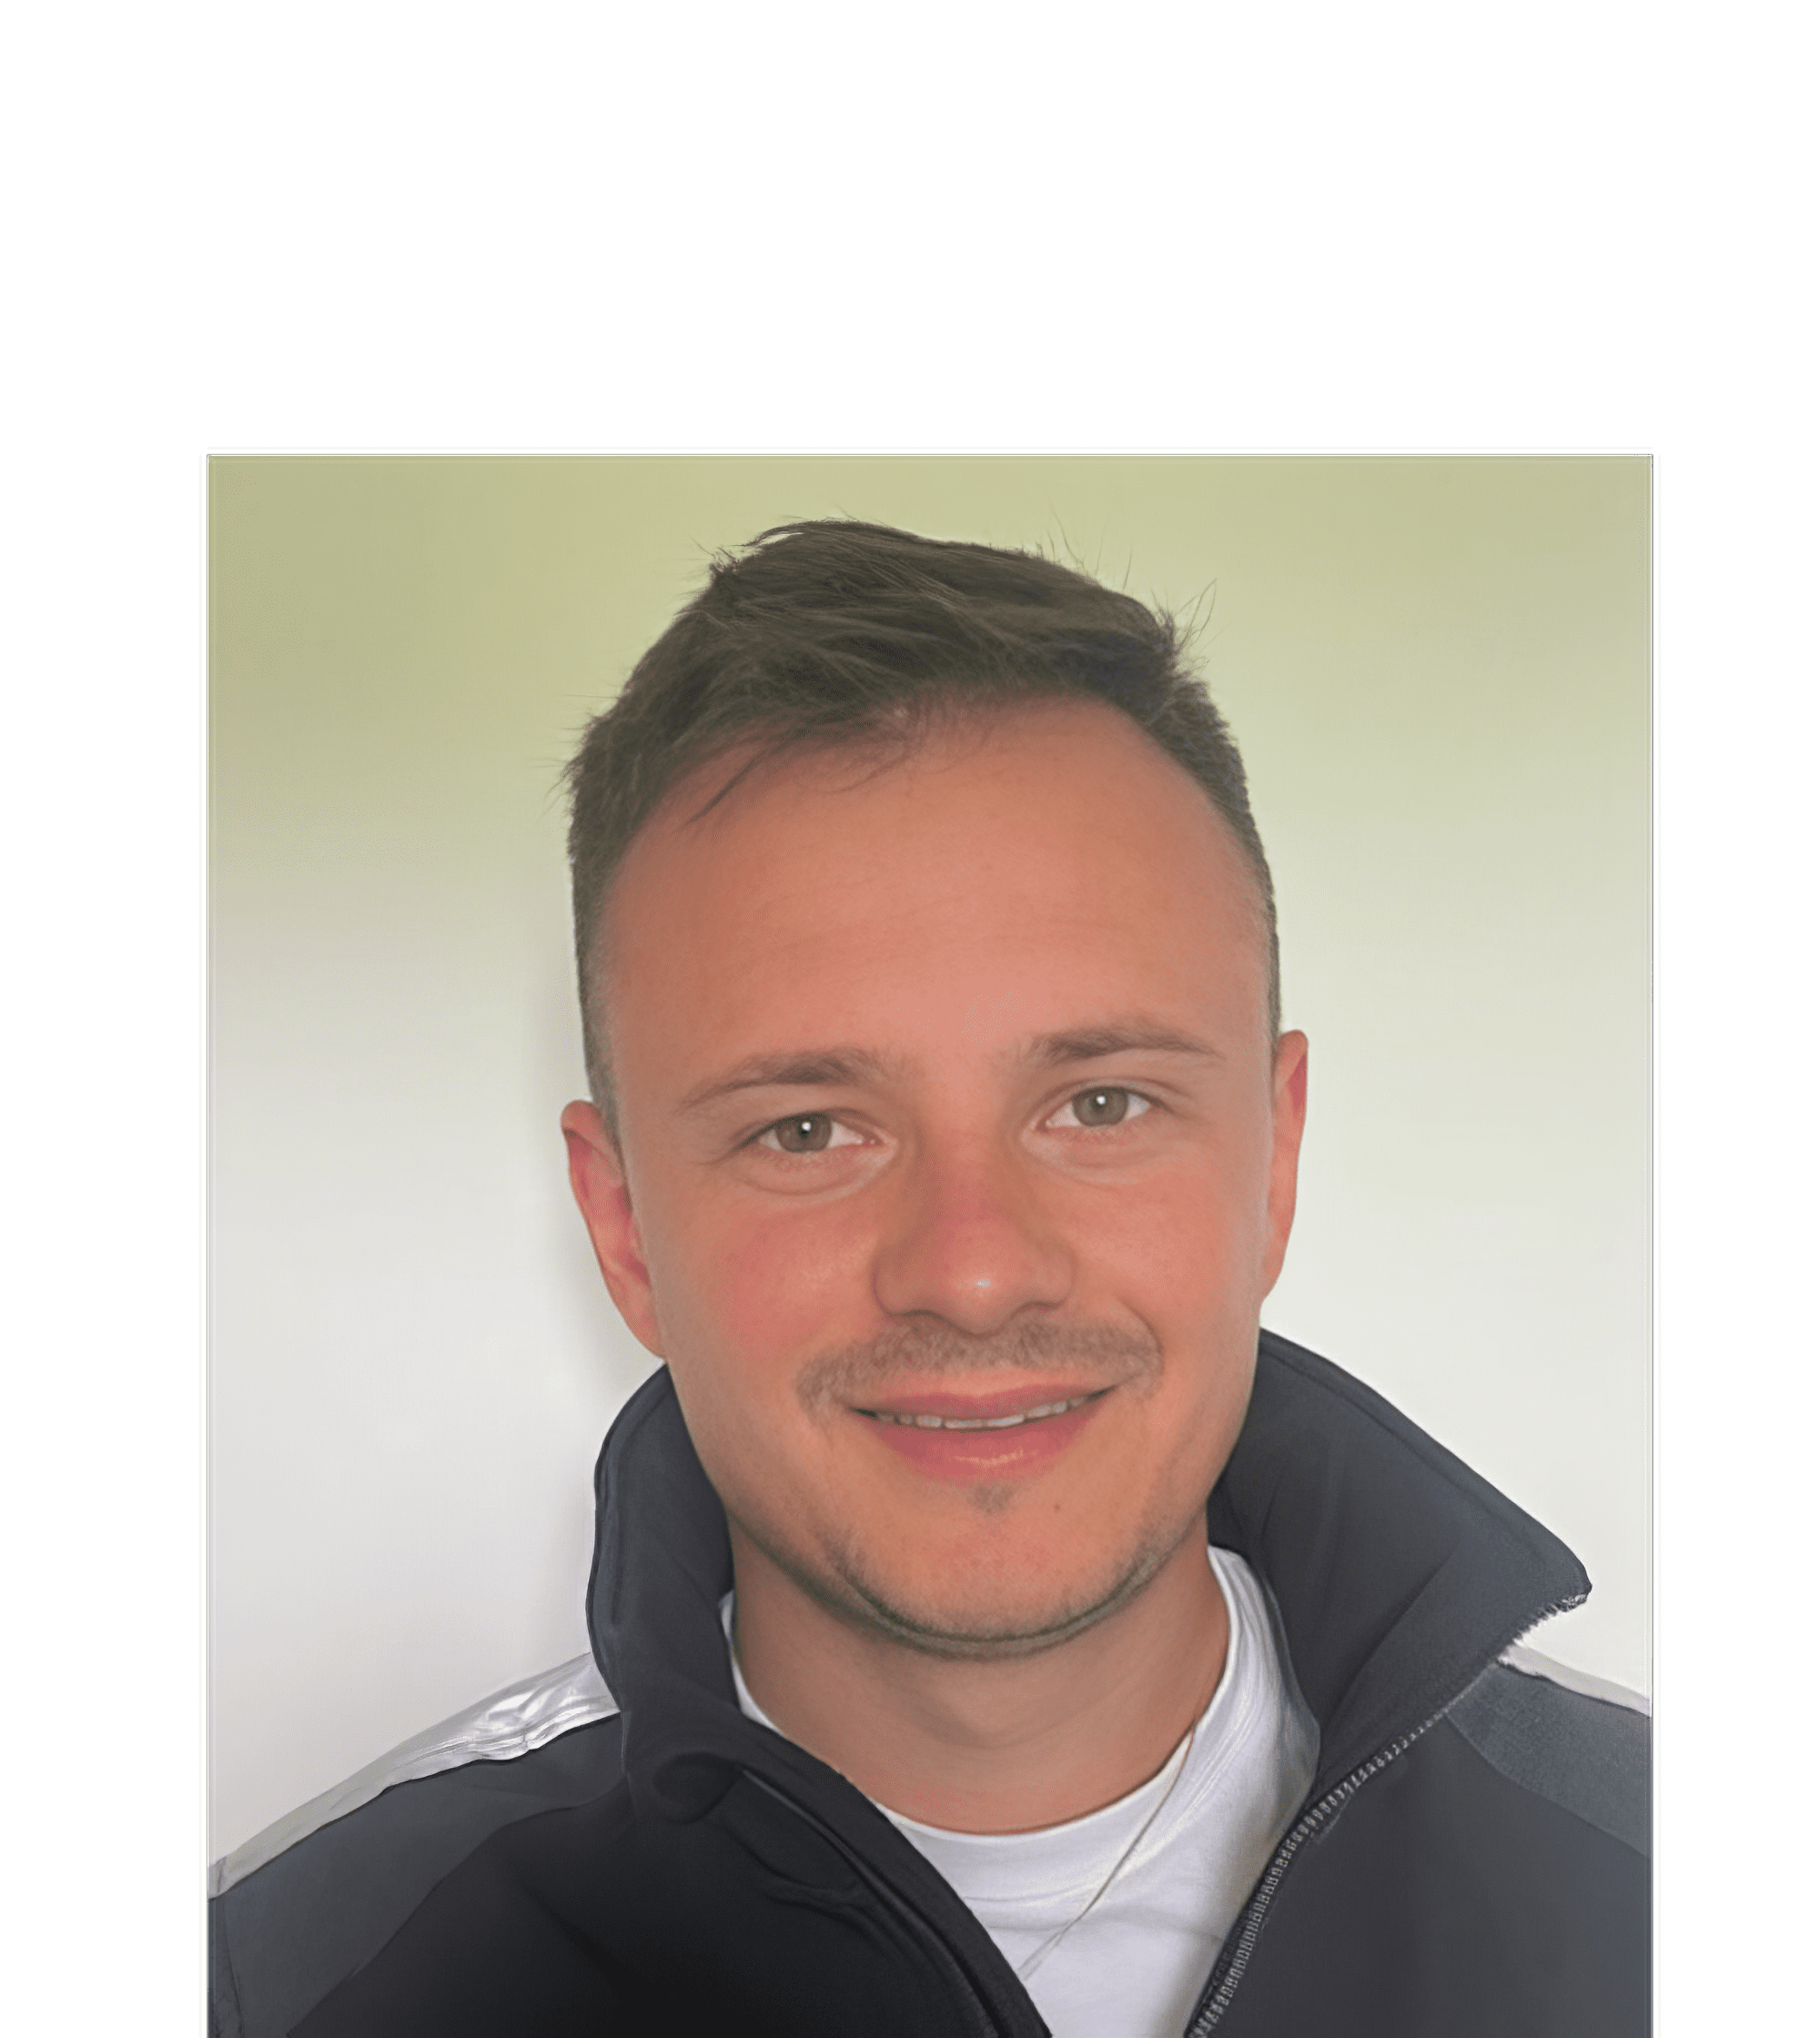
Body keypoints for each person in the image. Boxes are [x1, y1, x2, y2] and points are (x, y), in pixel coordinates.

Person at [206, 520, 1651, 2037]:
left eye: (1101, 1104)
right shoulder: (278, 1992)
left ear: (1273, 1161)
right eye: (809, 1130)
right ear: (624, 1229)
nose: (971, 1270)